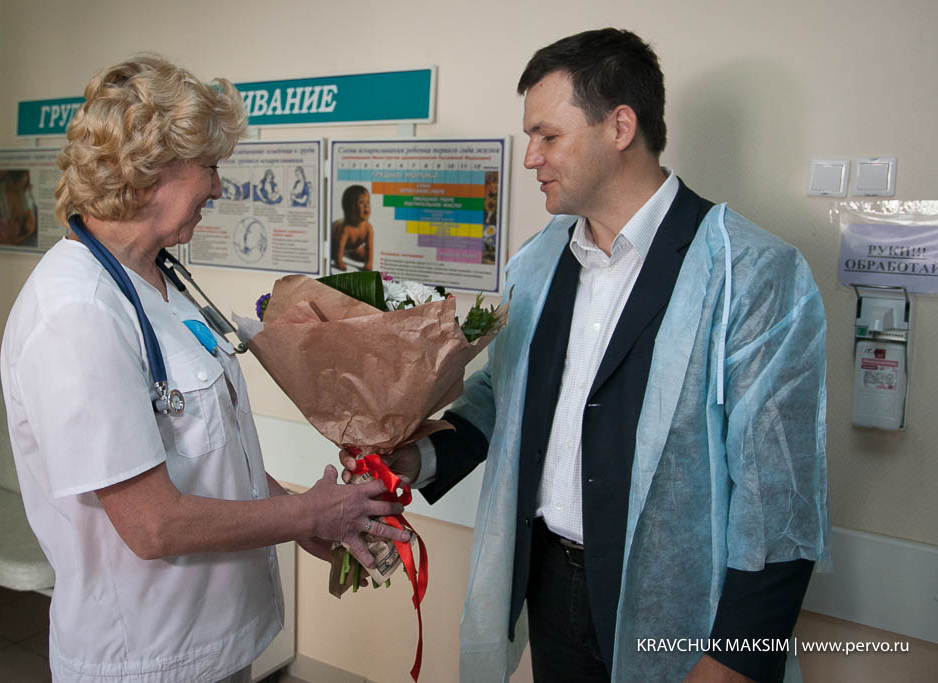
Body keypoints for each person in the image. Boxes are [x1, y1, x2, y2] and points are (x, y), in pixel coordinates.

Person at [342, 29, 829, 683]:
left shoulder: (751, 271)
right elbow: (502, 399)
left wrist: (736, 658)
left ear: (620, 127)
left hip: (682, 612)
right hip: (550, 587)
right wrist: (414, 456)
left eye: (547, 135)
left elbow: (779, 497)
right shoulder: (538, 262)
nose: (531, 158)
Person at [0, 56, 409, 683]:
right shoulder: (76, 312)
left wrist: (304, 514)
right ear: (150, 168)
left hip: (216, 642)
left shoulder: (158, 278)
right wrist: (307, 515)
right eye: (210, 167)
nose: (218, 189)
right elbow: (153, 524)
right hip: (147, 656)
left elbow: (211, 452)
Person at [0, 169, 38, 246]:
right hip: (6, 232)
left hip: (23, 236)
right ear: (10, 180)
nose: (22, 186)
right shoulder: (0, 193)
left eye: (25, 182)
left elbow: (31, 226)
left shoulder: (25, 193)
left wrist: (19, 239)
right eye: (20, 182)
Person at [331, 184, 374, 271]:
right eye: (361, 202)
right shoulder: (345, 228)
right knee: (334, 252)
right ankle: (339, 253)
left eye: (368, 202)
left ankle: (350, 252)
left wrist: (368, 264)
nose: (366, 206)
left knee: (363, 256)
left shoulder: (368, 228)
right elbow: (340, 247)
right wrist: (339, 262)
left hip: (352, 247)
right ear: (349, 208)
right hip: (333, 241)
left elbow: (370, 248)